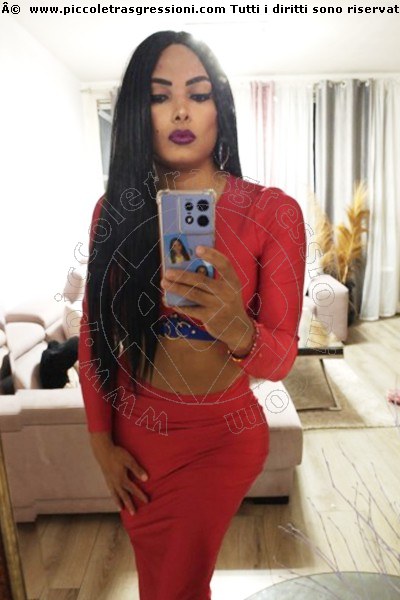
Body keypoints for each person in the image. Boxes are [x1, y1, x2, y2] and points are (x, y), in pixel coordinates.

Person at [78, 30, 306, 600]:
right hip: (137, 437)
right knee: (168, 582)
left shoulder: (271, 212)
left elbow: (281, 360)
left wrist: (238, 328)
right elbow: (93, 331)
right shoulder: (114, 210)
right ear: (139, 113)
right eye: (160, 96)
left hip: (220, 438)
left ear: (219, 108)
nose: (181, 110)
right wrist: (100, 443)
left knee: (174, 585)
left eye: (198, 94)